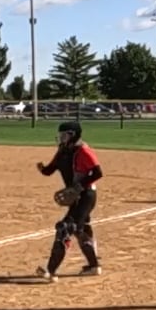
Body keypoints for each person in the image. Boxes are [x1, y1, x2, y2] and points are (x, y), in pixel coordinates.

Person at [34, 120, 104, 282]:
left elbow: (97, 172)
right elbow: (50, 170)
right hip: (74, 196)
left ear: (73, 135)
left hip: (86, 196)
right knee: (81, 229)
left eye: (64, 135)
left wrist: (79, 186)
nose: (61, 138)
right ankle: (94, 266)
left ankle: (50, 270)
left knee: (65, 227)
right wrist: (42, 168)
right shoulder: (63, 151)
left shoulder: (83, 151)